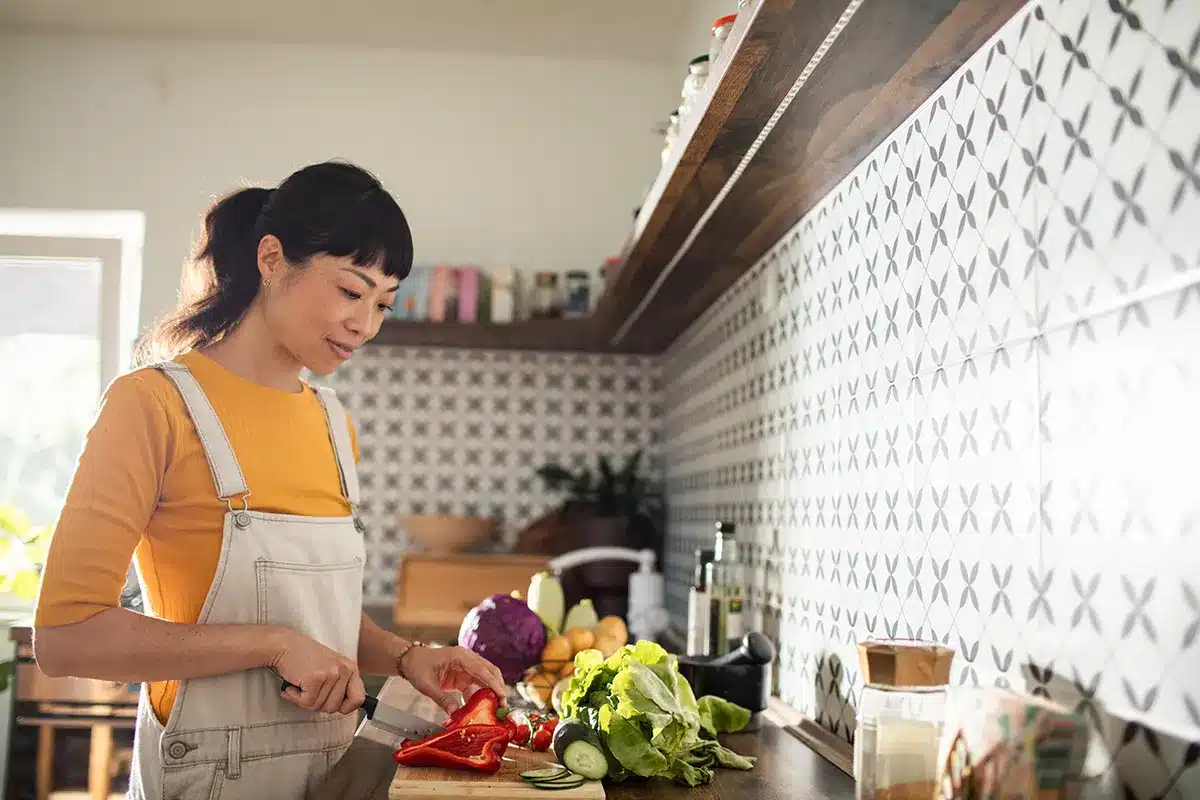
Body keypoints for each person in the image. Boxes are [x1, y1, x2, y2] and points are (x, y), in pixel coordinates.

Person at [32, 161, 507, 799]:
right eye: (350, 290)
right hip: (205, 778)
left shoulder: (333, 425)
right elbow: (67, 640)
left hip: (330, 773)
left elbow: (311, 615)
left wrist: (402, 656)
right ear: (273, 258)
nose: (365, 324)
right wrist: (272, 645)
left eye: (383, 303)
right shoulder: (152, 406)